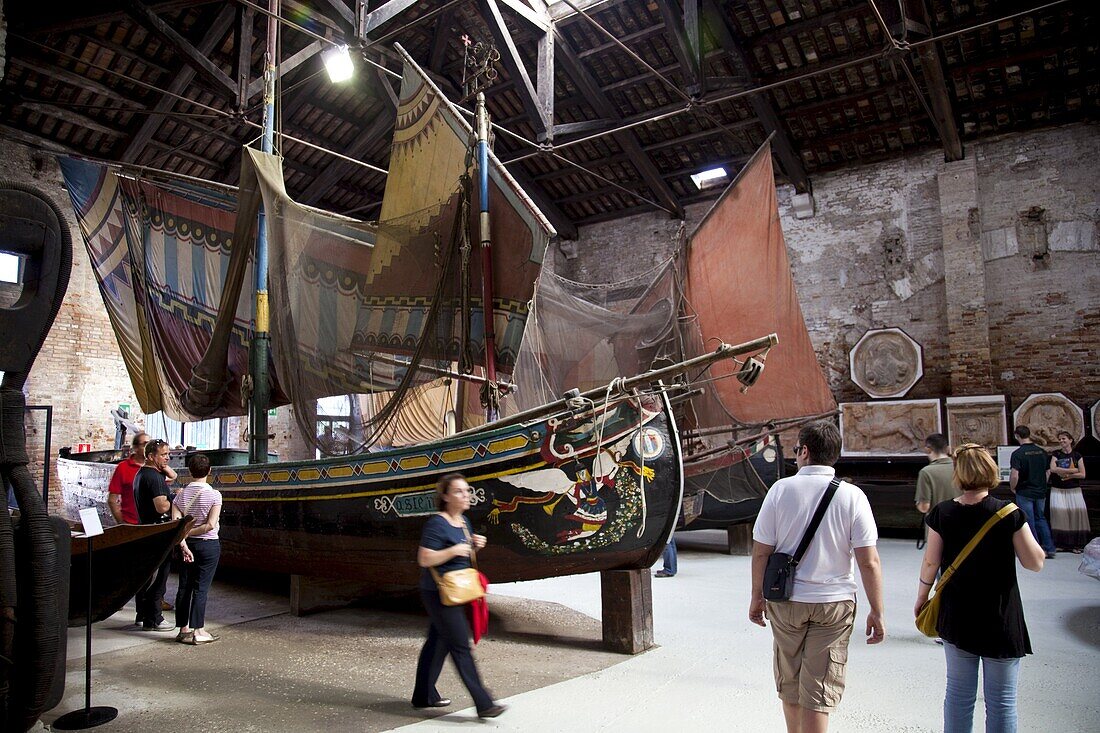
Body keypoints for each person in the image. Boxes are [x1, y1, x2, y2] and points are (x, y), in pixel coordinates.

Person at [749, 421, 885, 733]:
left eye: (796, 450)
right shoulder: (853, 496)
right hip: (833, 604)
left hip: (786, 602)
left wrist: (757, 595)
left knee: (791, 680)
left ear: (805, 451)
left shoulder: (780, 491)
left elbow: (761, 552)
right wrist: (877, 610)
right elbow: (869, 562)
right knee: (819, 689)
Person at [914, 443, 1045, 733]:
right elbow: (1034, 563)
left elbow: (930, 563)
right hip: (1000, 615)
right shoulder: (1008, 513)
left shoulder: (943, 512)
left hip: (958, 613)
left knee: (959, 695)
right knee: (1002, 701)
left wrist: (922, 597)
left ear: (958, 474)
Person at [412, 473, 505, 719]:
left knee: (437, 643)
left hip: (456, 589)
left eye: (467, 491)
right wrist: (455, 549)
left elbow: (460, 557)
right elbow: (424, 558)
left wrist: (474, 545)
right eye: (459, 491)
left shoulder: (463, 521)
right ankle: (484, 703)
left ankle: (423, 695)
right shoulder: (437, 523)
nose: (466, 495)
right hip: (438, 591)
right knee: (460, 645)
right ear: (445, 496)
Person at [171, 453, 222, 644]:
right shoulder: (214, 495)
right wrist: (190, 533)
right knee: (201, 588)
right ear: (209, 471)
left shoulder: (181, 495)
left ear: (189, 472)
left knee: (184, 586)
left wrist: (183, 539)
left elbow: (175, 526)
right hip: (208, 546)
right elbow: (210, 525)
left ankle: (183, 629)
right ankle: (198, 631)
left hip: (186, 546)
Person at [133, 438, 178, 632]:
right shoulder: (154, 478)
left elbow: (172, 475)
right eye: (163, 455)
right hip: (159, 533)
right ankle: (156, 617)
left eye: (168, 454)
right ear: (151, 456)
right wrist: (175, 498)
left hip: (146, 530)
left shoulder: (142, 474)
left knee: (146, 575)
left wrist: (165, 468)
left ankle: (142, 616)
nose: (167, 458)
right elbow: (161, 507)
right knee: (161, 575)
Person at [1008, 426, 1056, 559]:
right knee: (1041, 518)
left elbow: (1014, 475)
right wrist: (1042, 484)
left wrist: (1013, 487)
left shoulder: (1017, 454)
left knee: (1028, 521)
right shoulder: (1042, 452)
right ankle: (1050, 548)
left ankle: (1035, 549)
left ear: (1017, 436)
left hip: (1024, 491)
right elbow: (1048, 471)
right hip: (1040, 491)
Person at [1048, 431, 1089, 553]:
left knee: (1075, 516)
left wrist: (1068, 475)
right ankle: (1062, 544)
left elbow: (1082, 474)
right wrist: (1072, 470)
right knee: (1060, 517)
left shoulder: (1077, 455)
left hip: (1073, 490)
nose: (1061, 441)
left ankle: (1076, 545)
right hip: (1058, 490)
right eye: (1059, 439)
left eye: (1064, 439)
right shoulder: (1056, 454)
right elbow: (1053, 469)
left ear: (1070, 440)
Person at [107, 432, 149, 525]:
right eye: (145, 444)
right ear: (136, 448)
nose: (149, 448)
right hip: (131, 523)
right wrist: (122, 522)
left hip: (153, 523)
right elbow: (112, 499)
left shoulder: (155, 466)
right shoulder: (123, 467)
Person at [916, 433, 959, 515]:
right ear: (948, 449)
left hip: (937, 523)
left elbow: (924, 507)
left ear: (927, 450)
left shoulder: (926, 472)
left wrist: (918, 503)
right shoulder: (962, 468)